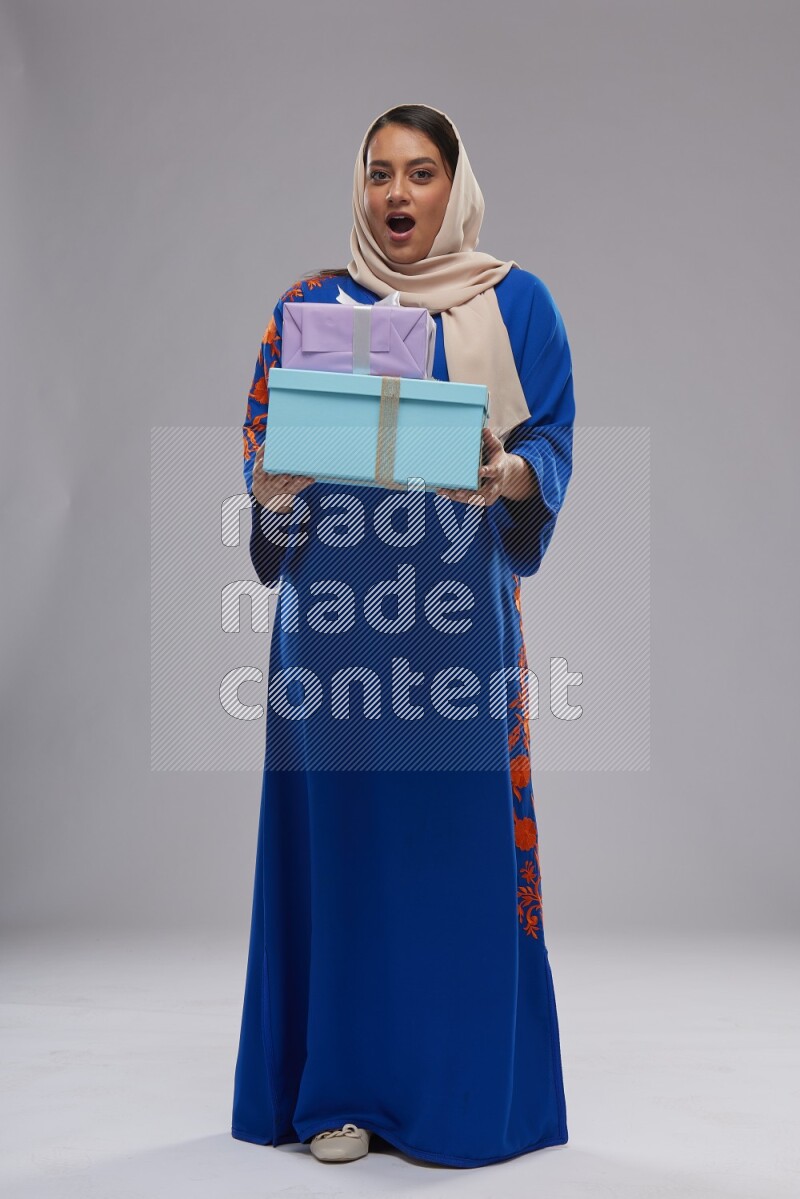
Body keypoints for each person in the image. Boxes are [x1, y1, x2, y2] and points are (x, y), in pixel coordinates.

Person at [232, 102, 575, 1169]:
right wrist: (271, 490)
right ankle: (338, 1088)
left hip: (456, 631)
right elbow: (266, 484)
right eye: (378, 172)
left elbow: (551, 440)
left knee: (452, 850)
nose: (395, 195)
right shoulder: (306, 306)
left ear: (453, 185)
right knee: (344, 855)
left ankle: (464, 1089)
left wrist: (507, 470)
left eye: (419, 173)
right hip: (331, 637)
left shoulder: (515, 304)